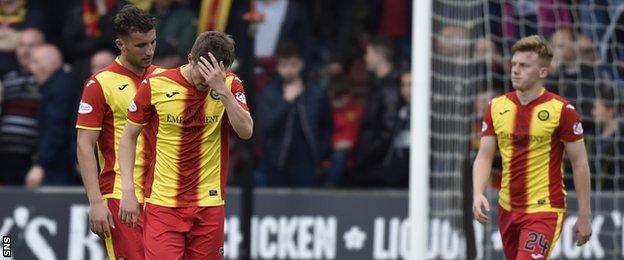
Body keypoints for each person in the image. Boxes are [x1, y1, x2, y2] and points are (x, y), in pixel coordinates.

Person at [118, 31, 252, 259]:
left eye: (213, 79)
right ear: (191, 59)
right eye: (202, 78)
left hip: (208, 205)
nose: (205, 85)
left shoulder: (229, 85)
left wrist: (223, 91)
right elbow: (128, 137)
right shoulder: (156, 85)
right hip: (163, 205)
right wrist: (128, 191)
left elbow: (246, 131)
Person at [472, 35, 592, 260]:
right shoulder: (496, 107)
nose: (515, 71)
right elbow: (484, 155)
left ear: (542, 73)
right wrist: (478, 192)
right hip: (507, 207)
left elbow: (580, 162)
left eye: (524, 66)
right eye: (514, 64)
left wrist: (584, 214)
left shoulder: (562, 111)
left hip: (544, 209)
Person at [75, 5, 161, 259]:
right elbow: (84, 145)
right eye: (141, 45)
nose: (150, 51)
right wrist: (95, 202)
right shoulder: (100, 83)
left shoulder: (163, 78)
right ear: (121, 44)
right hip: (121, 195)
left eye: (153, 42)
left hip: (162, 194)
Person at [255, 41, 332, 187]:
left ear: (301, 64)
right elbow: (266, 125)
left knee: (308, 207)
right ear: (278, 67)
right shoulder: (269, 93)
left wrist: (322, 154)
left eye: (293, 64)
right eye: (284, 65)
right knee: (276, 207)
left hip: (307, 163)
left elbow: (326, 126)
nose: (289, 69)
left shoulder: (316, 93)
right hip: (277, 162)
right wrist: (286, 102)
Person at [26, 44, 82, 187]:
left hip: (60, 166)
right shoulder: (60, 84)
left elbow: (56, 128)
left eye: (35, 61)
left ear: (52, 63)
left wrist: (41, 164)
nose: (30, 66)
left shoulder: (60, 87)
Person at [0, 28, 44, 185]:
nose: (25, 51)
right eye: (21, 45)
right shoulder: (7, 79)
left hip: (32, 159)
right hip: (5, 156)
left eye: (31, 46)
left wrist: (40, 159)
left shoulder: (46, 80)